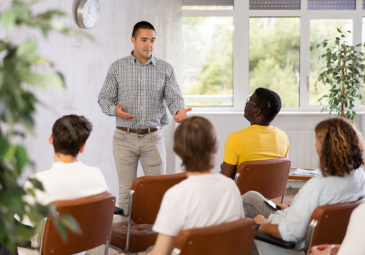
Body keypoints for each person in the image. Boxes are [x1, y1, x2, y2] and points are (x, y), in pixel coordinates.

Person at [98, 21, 191, 213]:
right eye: (144, 40)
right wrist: (114, 110)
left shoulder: (165, 69)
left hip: (153, 138)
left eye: (152, 40)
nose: (149, 44)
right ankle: (126, 240)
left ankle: (154, 238)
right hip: (124, 138)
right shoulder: (117, 68)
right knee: (125, 191)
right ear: (133, 40)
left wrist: (178, 112)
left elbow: (174, 99)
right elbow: (104, 99)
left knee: (157, 190)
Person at [242, 118, 365, 255]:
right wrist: (292, 209)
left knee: (244, 229)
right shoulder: (359, 175)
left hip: (291, 247)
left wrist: (261, 226)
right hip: (311, 229)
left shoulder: (317, 186)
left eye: (317, 141)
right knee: (251, 197)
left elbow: (289, 234)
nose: (315, 145)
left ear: (328, 149)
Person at [136, 116, 243, 255]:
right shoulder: (231, 187)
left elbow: (160, 253)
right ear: (215, 145)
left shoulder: (176, 195)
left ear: (179, 151)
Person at [15, 115, 109, 255]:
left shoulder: (38, 182)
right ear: (82, 147)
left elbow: (20, 233)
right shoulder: (97, 175)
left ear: (51, 139)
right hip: (76, 250)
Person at [221, 87, 289, 179]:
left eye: (250, 101)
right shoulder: (283, 136)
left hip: (244, 193)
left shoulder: (236, 138)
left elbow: (225, 178)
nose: (246, 103)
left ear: (257, 110)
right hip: (273, 193)